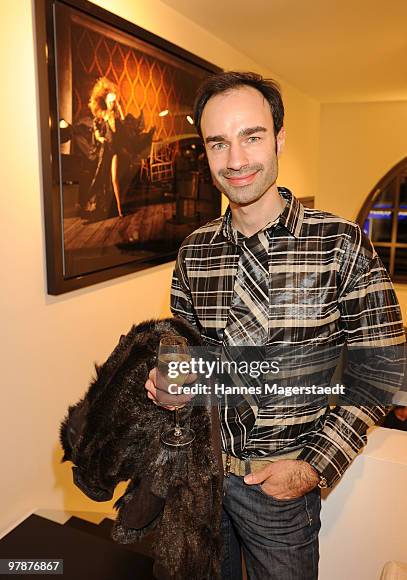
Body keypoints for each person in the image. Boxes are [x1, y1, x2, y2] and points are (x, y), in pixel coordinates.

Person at [145, 71, 405, 580]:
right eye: (218, 143)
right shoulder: (193, 252)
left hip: (281, 493)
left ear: (279, 138)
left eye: (252, 137)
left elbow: (382, 371)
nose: (236, 160)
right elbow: (186, 352)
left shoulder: (342, 244)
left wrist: (312, 468)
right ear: (206, 151)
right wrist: (171, 384)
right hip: (200, 476)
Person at [86, 77, 125, 218]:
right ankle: (96, 207)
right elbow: (96, 131)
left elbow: (124, 121)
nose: (112, 104)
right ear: (105, 101)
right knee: (100, 178)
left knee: (114, 179)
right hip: (104, 150)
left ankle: (120, 210)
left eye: (114, 102)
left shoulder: (116, 114)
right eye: (110, 101)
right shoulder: (102, 115)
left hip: (114, 150)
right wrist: (100, 138)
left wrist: (119, 106)